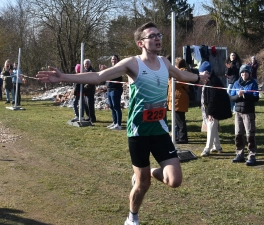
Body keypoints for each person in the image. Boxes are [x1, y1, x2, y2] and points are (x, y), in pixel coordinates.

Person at [36, 21, 209, 225]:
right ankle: (132, 217)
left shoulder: (164, 62)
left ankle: (150, 172)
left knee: (175, 180)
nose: (157, 38)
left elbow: (180, 75)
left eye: (158, 35)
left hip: (160, 130)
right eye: (151, 36)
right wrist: (64, 76)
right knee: (142, 185)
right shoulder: (132, 64)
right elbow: (99, 76)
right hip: (138, 133)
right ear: (140, 43)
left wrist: (199, 77)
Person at [200, 61, 232, 156]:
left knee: (211, 126)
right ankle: (217, 146)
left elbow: (213, 99)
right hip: (213, 108)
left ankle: (207, 149)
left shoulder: (213, 82)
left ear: (207, 72)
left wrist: (210, 112)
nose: (200, 76)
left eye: (201, 73)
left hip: (216, 108)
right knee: (213, 126)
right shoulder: (209, 80)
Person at [230, 64, 259, 166]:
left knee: (250, 134)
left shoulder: (253, 83)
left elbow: (256, 98)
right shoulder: (236, 83)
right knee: (238, 134)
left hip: (248, 112)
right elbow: (232, 97)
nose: (244, 74)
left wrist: (245, 95)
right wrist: (238, 95)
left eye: (246, 72)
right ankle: (239, 153)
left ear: (249, 73)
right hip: (238, 112)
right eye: (242, 72)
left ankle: (251, 155)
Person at [168, 57, 190, 144]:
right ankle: (177, 136)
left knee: (180, 120)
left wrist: (170, 79)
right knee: (177, 120)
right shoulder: (183, 72)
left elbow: (175, 85)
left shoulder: (182, 73)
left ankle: (182, 138)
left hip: (179, 99)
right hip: (178, 98)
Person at [100, 55, 123, 130]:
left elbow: (113, 76)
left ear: (118, 60)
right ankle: (115, 122)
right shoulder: (110, 68)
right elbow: (105, 77)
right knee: (112, 107)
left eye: (115, 59)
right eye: (112, 59)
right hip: (109, 89)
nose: (114, 60)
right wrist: (103, 71)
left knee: (116, 107)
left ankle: (119, 124)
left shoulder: (118, 68)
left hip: (115, 90)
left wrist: (106, 70)